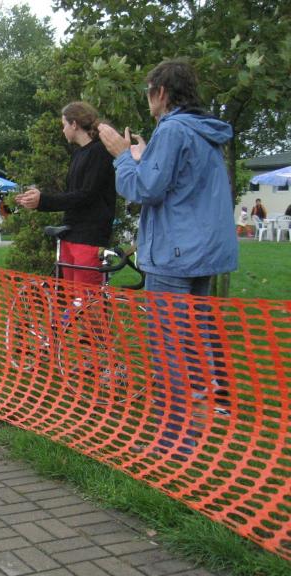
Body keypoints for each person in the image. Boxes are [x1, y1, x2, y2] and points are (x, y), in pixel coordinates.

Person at [99, 59, 237, 456]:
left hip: (175, 254)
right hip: (203, 252)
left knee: (169, 349)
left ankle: (174, 440)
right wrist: (144, 158)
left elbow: (145, 190)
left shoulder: (173, 129)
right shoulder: (204, 131)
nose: (148, 100)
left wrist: (122, 156)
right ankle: (197, 427)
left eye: (149, 92)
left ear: (161, 92)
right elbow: (178, 184)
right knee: (192, 344)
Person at [15, 101, 116, 285]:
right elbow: (71, 194)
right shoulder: (78, 153)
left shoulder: (99, 152)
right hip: (70, 233)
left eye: (64, 125)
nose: (63, 130)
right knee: (68, 295)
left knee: (85, 296)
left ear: (74, 124)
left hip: (89, 236)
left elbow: (86, 195)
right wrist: (40, 198)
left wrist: (44, 201)